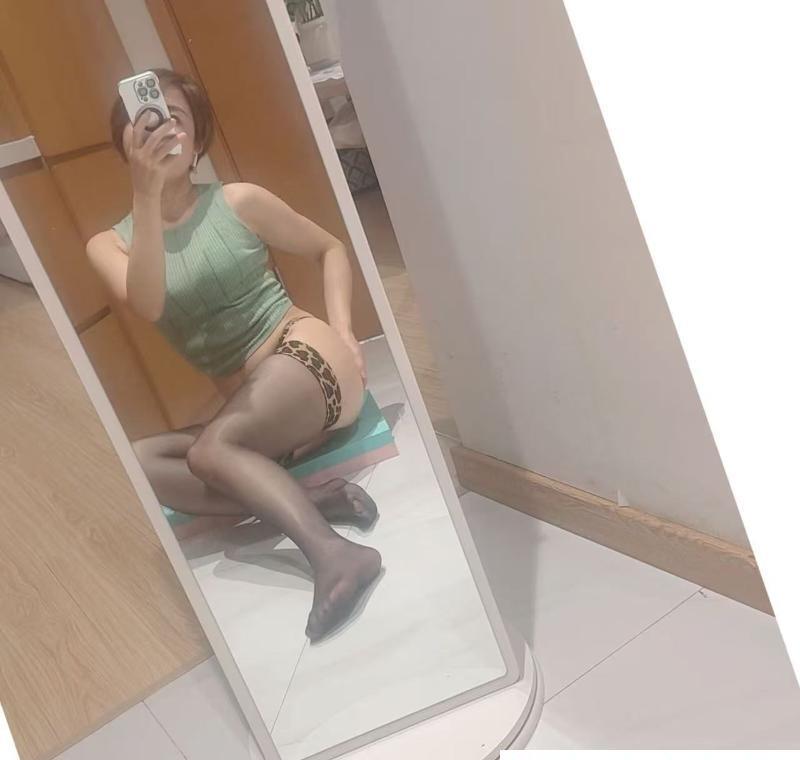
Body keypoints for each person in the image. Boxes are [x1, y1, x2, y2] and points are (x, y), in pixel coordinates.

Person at [86, 69, 382, 643]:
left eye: (176, 117)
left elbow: (329, 247)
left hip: (303, 355)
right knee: (141, 461)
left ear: (197, 138)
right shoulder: (110, 243)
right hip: (257, 413)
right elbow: (147, 303)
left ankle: (336, 555)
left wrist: (345, 332)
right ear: (125, 140)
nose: (162, 128)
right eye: (147, 119)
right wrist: (145, 198)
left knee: (211, 450)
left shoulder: (237, 200)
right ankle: (314, 499)